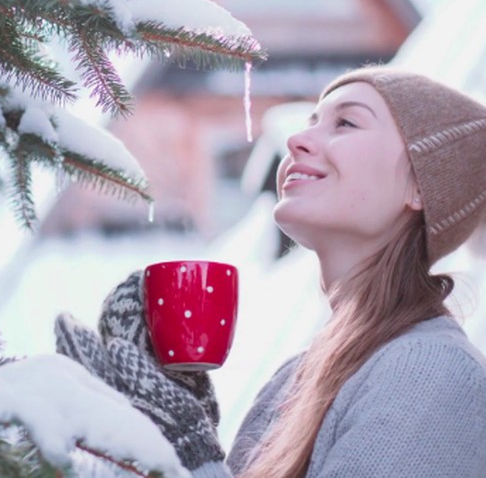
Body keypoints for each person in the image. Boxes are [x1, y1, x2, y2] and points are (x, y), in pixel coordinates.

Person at [54, 66, 486, 478]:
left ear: (419, 185)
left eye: (347, 124)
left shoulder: (429, 370)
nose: (297, 138)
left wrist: (186, 442)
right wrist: (143, 429)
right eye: (311, 121)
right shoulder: (298, 378)